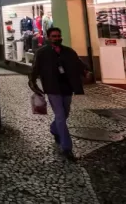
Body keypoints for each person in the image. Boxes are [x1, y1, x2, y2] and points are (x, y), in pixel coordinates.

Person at [29, 27, 89, 161]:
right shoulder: (42, 53)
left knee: (65, 113)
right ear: (48, 37)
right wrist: (34, 85)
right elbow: (34, 70)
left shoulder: (68, 51)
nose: (57, 38)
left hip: (67, 87)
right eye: (54, 36)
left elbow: (78, 64)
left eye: (58, 36)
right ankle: (67, 147)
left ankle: (54, 128)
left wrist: (85, 71)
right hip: (52, 88)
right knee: (60, 115)